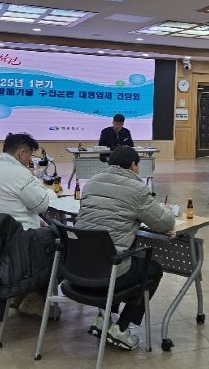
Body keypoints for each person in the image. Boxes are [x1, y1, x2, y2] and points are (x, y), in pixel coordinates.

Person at [75, 146, 174, 350]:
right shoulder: (137, 188)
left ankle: (103, 319)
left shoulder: (91, 182)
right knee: (152, 270)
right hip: (108, 271)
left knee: (118, 253)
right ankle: (121, 327)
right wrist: (166, 211)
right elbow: (163, 224)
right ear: (133, 165)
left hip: (79, 266)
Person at [0, 133, 49, 231]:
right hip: (20, 235)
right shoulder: (20, 173)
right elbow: (42, 206)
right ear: (21, 153)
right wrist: (34, 178)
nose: (30, 159)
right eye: (30, 155)